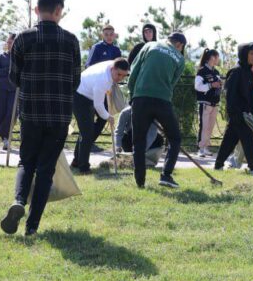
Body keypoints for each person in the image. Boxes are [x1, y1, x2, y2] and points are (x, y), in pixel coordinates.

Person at [0, 0, 81, 236]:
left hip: (31, 112)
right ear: (58, 11)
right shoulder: (71, 41)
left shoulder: (23, 39)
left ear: (36, 10)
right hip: (59, 115)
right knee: (46, 169)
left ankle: (18, 200)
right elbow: (75, 80)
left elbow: (14, 77)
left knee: (26, 161)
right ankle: (32, 226)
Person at [127, 31, 187, 189]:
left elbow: (134, 71)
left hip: (140, 98)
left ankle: (140, 182)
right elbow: (172, 83)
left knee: (139, 141)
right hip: (163, 101)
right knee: (175, 139)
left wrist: (132, 96)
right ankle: (166, 175)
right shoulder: (180, 59)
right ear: (179, 45)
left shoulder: (149, 45)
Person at [72, 58, 129, 173]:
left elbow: (99, 103)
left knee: (91, 129)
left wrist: (106, 116)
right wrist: (108, 117)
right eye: (118, 74)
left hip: (91, 93)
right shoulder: (103, 80)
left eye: (124, 76)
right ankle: (83, 167)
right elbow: (98, 105)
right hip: (80, 96)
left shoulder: (112, 66)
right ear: (112, 69)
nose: (120, 78)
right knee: (87, 132)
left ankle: (77, 159)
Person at [214, 43, 253, 173]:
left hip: (244, 114)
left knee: (229, 141)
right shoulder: (236, 71)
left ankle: (218, 165)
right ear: (244, 54)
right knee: (248, 139)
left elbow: (252, 95)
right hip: (238, 114)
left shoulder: (248, 72)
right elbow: (230, 94)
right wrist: (235, 113)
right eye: (251, 53)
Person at [194, 49, 223, 157]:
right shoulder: (202, 71)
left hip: (214, 103)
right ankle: (200, 148)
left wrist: (220, 84)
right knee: (204, 125)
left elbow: (218, 84)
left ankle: (206, 147)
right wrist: (211, 85)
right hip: (205, 103)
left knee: (210, 126)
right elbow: (197, 86)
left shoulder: (216, 72)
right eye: (216, 57)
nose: (217, 59)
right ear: (210, 58)